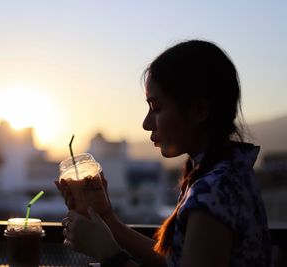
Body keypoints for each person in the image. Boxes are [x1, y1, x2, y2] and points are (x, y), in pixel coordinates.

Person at [55, 40, 272, 267]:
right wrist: (109, 221)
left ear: (199, 110)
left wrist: (109, 254)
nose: (146, 124)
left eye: (157, 108)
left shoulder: (214, 190)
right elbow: (174, 261)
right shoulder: (221, 174)